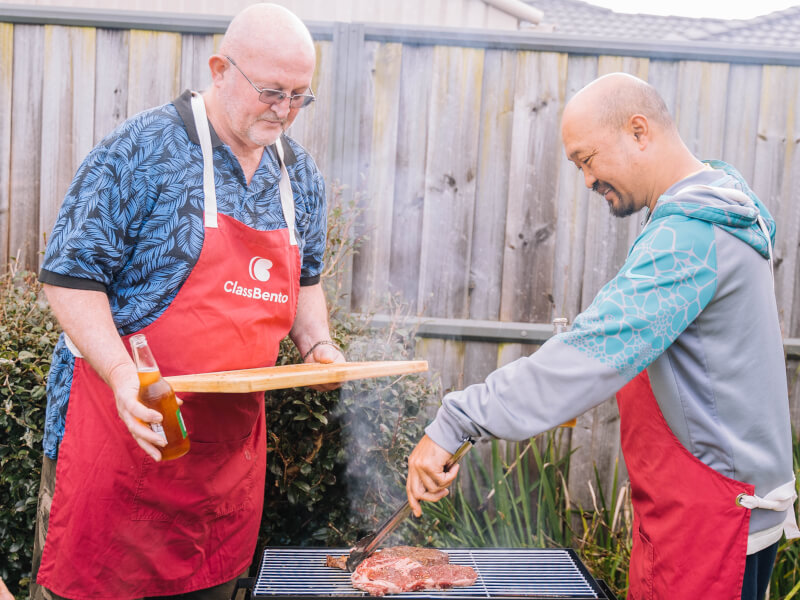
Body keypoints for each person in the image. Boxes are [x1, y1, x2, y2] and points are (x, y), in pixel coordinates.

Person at [406, 72, 798, 600]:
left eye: (586, 159)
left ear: (639, 131)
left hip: (710, 523)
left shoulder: (692, 238)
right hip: (718, 509)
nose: (587, 180)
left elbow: (591, 352)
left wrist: (456, 421)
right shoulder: (709, 214)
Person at [30, 4, 344, 599]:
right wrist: (124, 376)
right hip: (119, 440)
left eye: (301, 96)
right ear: (220, 68)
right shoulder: (141, 150)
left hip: (223, 464)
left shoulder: (300, 177)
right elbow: (68, 277)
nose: (285, 110)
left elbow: (306, 281)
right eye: (272, 91)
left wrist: (320, 346)